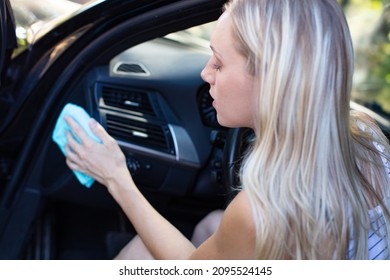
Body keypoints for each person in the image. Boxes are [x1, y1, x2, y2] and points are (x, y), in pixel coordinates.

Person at [63, 0, 390, 259]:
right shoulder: (364, 133)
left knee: (140, 254)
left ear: (272, 81)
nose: (206, 74)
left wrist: (116, 177)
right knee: (211, 225)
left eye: (219, 63)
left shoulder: (262, 212)